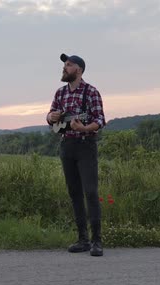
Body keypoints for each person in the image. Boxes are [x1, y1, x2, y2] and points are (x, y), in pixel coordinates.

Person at [46, 53, 106, 257]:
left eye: (68, 65)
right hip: (67, 146)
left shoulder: (91, 92)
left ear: (79, 70)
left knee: (90, 192)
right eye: (64, 65)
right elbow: (51, 117)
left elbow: (99, 120)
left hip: (85, 144)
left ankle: (97, 241)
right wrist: (50, 116)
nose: (64, 68)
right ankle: (83, 240)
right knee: (74, 194)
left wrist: (84, 128)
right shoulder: (60, 93)